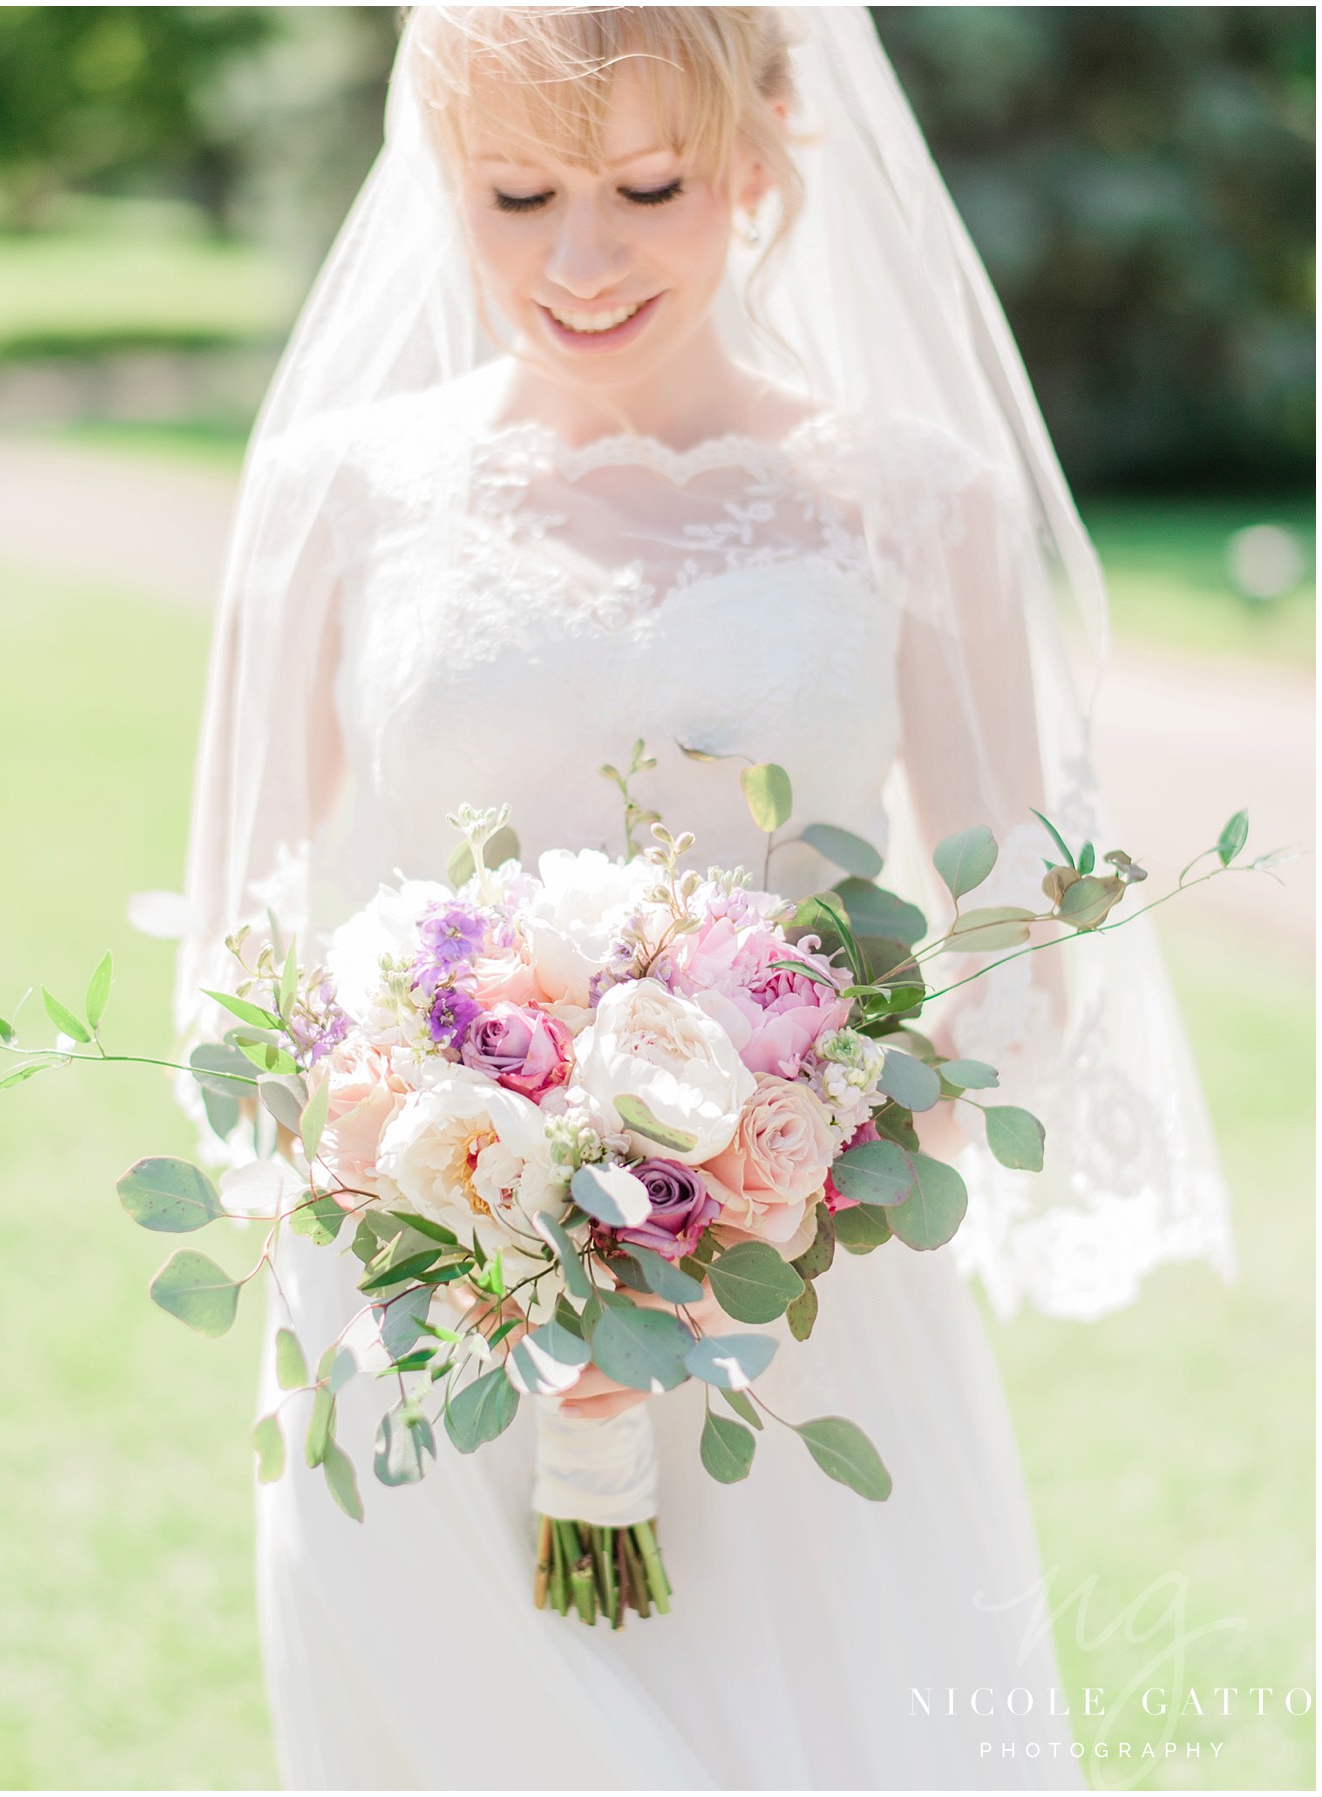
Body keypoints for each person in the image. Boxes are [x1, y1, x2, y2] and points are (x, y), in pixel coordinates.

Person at [175, 7, 1234, 1788]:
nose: (576, 260)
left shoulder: (919, 505)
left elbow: (1015, 946)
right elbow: (244, 941)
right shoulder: (331, 500)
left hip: (795, 1334)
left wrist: (766, 1192)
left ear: (760, 149)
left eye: (645, 184)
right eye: (515, 195)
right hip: (426, 1320)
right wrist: (442, 1187)